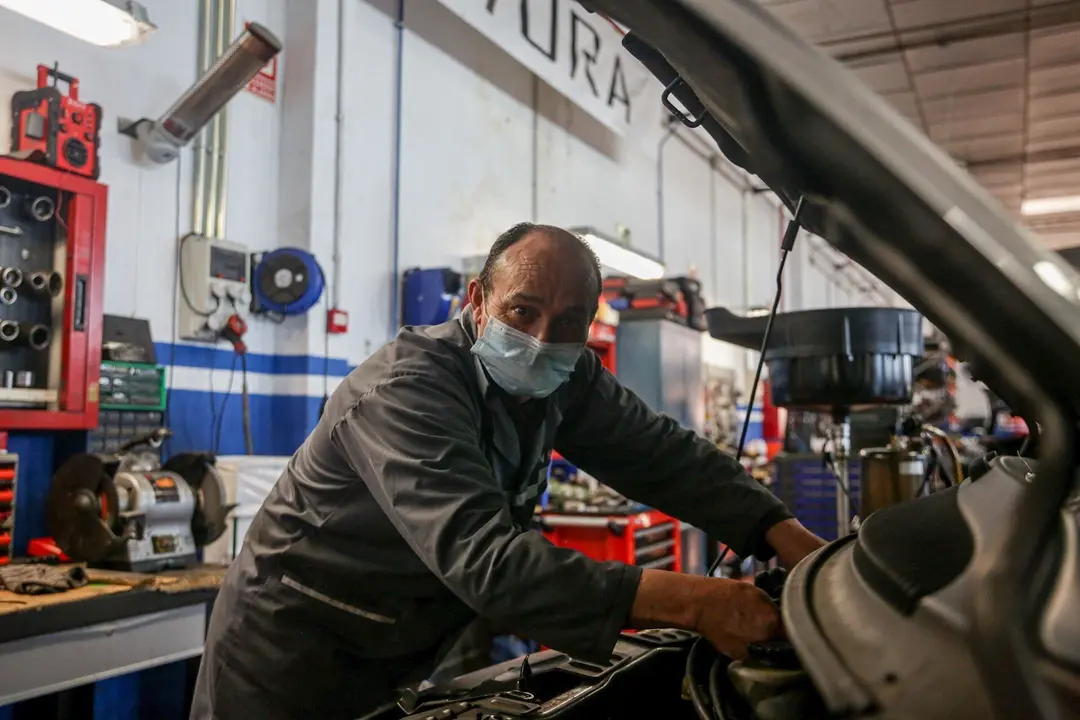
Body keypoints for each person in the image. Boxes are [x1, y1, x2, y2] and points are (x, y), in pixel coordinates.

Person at [190, 223, 825, 720]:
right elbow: (486, 558)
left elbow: (660, 453)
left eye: (569, 322)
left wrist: (788, 537)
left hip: (398, 649)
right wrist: (697, 602)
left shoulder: (567, 374)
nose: (544, 339)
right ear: (478, 300)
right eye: (522, 311)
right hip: (287, 654)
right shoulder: (407, 388)